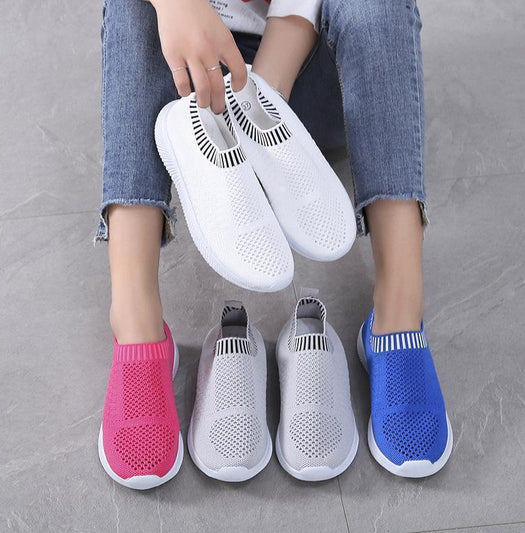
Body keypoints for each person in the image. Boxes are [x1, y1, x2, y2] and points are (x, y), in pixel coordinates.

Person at [95, 0, 451, 486]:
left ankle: (399, 314)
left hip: (307, 74)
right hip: (185, 69)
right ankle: (136, 321)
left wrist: (259, 94)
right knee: (130, 8)